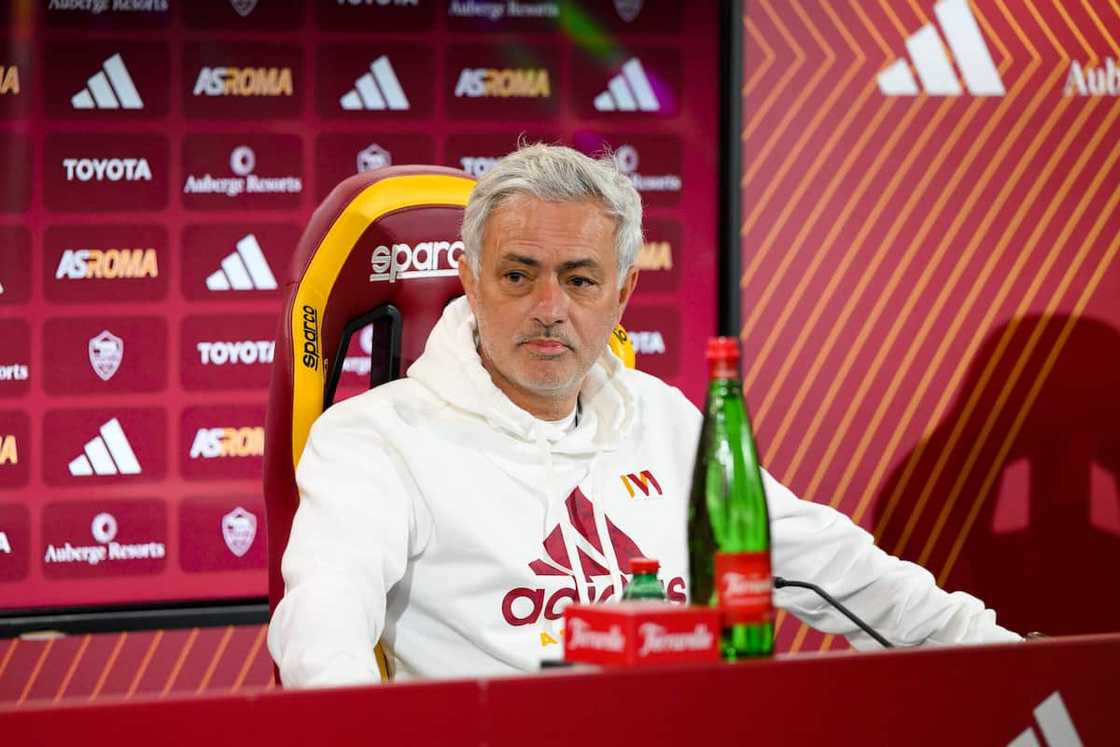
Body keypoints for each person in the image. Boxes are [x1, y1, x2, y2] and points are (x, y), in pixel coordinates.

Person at [268, 144, 1020, 688]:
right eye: (518, 275)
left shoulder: (664, 419)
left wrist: (1020, 663)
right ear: (469, 278)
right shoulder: (375, 439)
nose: (549, 309)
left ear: (623, 294)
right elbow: (321, 637)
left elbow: (839, 570)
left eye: (580, 279)